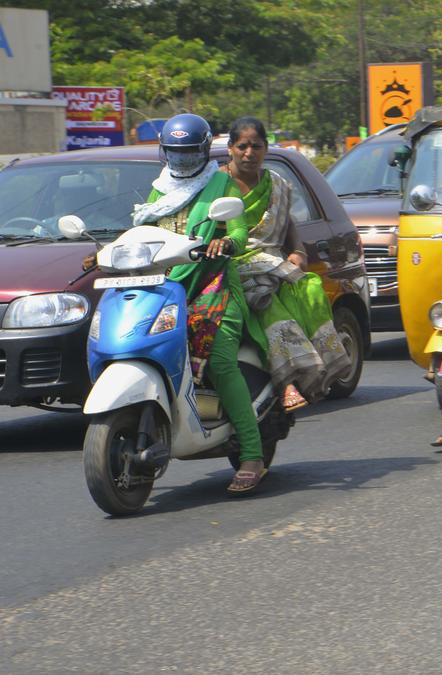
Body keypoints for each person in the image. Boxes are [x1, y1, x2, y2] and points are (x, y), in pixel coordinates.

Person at [130, 114, 272, 495]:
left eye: (189, 152)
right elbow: (143, 231)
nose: (181, 160)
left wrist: (226, 242)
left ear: (204, 151)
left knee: (222, 362)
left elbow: (239, 230)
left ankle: (253, 455)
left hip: (214, 287)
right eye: (174, 153)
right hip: (164, 289)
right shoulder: (161, 189)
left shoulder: (222, 183)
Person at [223, 117, 352, 413]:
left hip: (271, 261)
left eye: (256, 146)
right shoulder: (219, 183)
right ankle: (290, 380)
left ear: (266, 148)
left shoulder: (277, 185)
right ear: (230, 148)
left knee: (309, 287)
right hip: (231, 264)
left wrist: (297, 251)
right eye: (242, 146)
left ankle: (325, 364)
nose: (248, 153)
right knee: (267, 302)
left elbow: (288, 223)